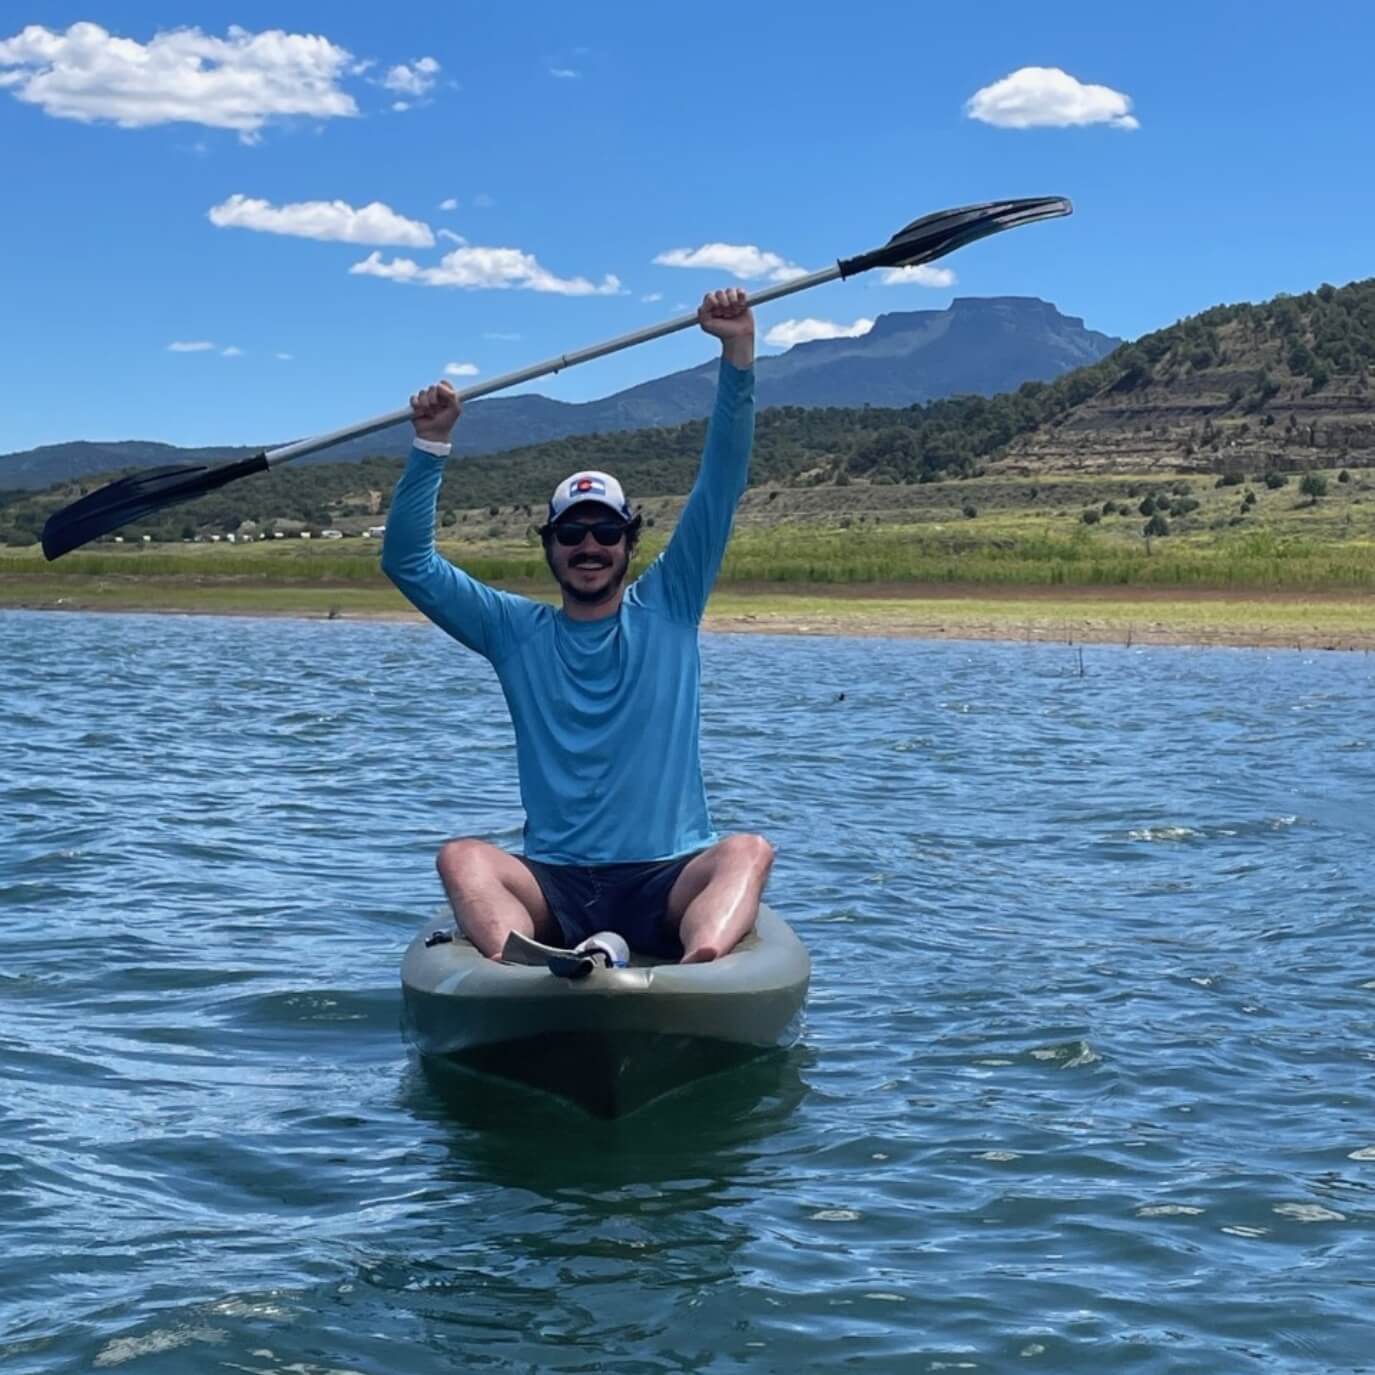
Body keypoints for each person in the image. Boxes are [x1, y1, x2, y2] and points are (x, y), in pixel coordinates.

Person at [382, 287, 773, 964]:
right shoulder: (513, 630)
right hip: (556, 883)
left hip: (669, 872)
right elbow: (408, 561)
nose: (588, 545)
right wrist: (431, 442)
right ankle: (531, 973)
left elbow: (720, 480)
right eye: (571, 532)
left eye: (604, 532)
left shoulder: (672, 603)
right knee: (461, 858)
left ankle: (698, 968)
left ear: (628, 543)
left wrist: (737, 352)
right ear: (549, 544)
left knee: (747, 850)